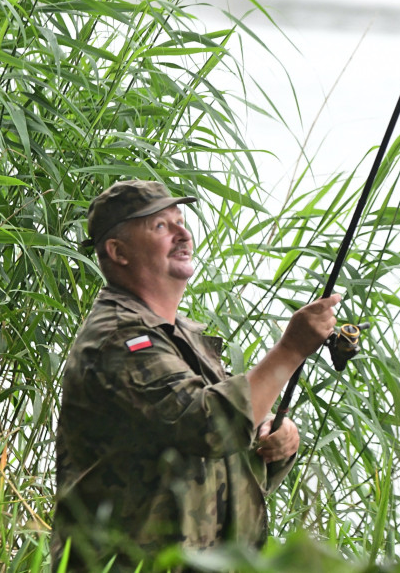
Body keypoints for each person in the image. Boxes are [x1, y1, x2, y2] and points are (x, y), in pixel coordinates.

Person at [52, 180, 340, 571]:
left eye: (180, 221)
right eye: (160, 226)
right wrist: (290, 350)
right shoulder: (120, 339)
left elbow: (210, 454)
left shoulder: (182, 335)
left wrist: (272, 437)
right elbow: (208, 424)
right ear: (118, 252)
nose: (183, 234)